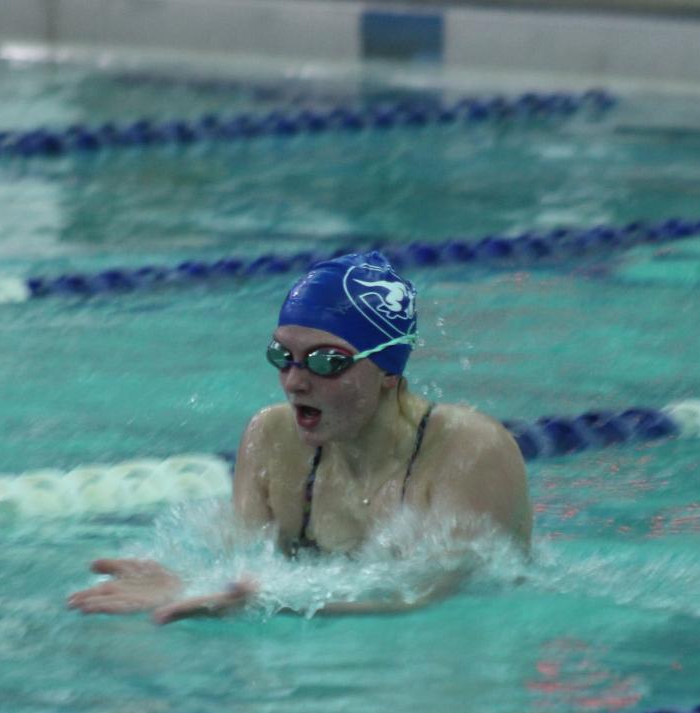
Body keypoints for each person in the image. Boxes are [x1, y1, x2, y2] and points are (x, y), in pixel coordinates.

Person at [67, 251, 532, 625]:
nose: (294, 381)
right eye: (282, 356)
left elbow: (426, 596)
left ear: (388, 371)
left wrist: (269, 603)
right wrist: (186, 583)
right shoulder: (272, 438)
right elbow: (241, 569)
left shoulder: (468, 451)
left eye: (326, 361)